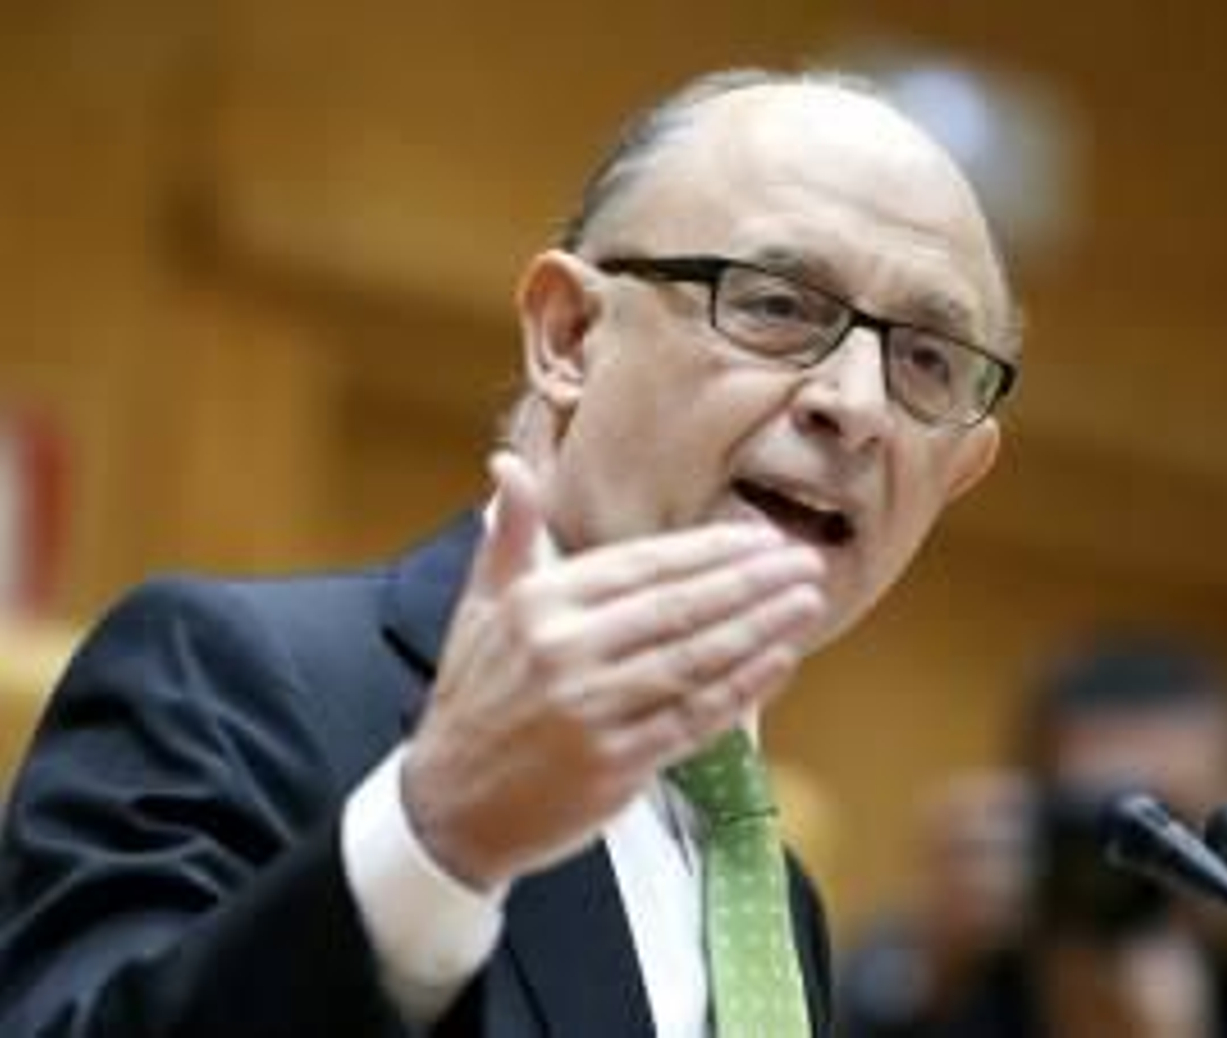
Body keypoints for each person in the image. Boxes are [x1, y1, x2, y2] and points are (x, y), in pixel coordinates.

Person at [0, 68, 1020, 1037]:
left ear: (960, 471)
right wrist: (436, 844)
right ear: (569, 335)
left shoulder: (778, 890)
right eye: (776, 304)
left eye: (925, 360)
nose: (854, 405)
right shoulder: (233, 676)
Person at [839, 637, 1227, 1037]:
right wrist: (923, 984)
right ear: (1029, 810)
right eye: (1103, 821)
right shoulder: (922, 975)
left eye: (1176, 826)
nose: (1141, 862)